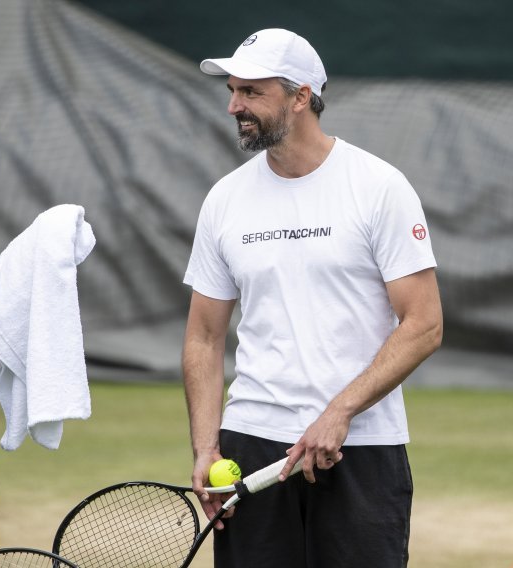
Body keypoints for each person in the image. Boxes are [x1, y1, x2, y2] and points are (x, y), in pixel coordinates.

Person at [182, 29, 442, 566]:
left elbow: (424, 324)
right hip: (250, 447)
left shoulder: (379, 187)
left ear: (301, 97)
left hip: (360, 447)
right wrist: (207, 448)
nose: (234, 106)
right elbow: (204, 337)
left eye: (251, 92)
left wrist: (340, 411)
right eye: (233, 91)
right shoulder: (224, 199)